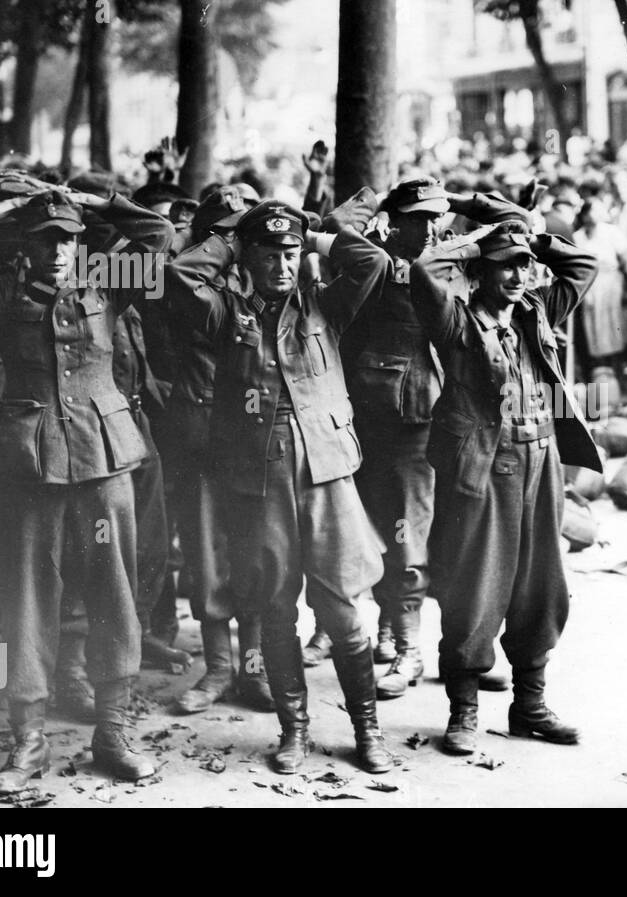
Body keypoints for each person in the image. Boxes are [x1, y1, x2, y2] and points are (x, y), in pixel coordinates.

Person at [0, 174, 174, 794]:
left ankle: (113, 732)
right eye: (46, 238)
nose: (58, 250)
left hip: (105, 462)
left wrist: (97, 202)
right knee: (28, 601)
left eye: (68, 239)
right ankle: (28, 744)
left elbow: (159, 234)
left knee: (114, 594)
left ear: (82, 243)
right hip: (30, 466)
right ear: (24, 243)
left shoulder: (107, 285)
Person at [167, 195, 393, 775]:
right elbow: (180, 273)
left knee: (341, 609)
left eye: (291, 252)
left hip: (325, 474)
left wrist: (317, 235)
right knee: (273, 608)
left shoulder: (326, 306)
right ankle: (294, 731)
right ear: (248, 258)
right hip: (258, 479)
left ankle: (367, 732)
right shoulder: (226, 313)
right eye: (269, 254)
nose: (283, 265)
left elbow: (371, 262)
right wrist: (230, 242)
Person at [410, 213, 599, 756]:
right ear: (480, 271)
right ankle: (463, 710)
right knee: (475, 585)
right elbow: (426, 269)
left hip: (542, 460)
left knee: (542, 585)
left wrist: (531, 239)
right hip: (486, 466)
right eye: (505, 267)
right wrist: (475, 242)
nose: (517, 276)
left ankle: (530, 705)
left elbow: (584, 265)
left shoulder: (537, 311)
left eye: (524, 266)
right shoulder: (457, 323)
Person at [337, 177, 450, 699]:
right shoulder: (375, 259)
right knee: (380, 530)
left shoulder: (451, 260)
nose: (430, 227)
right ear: (396, 218)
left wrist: (466, 205)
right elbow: (335, 226)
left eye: (438, 217)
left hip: (428, 416)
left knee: (412, 534)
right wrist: (372, 200)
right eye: (419, 217)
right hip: (372, 414)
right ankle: (390, 633)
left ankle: (411, 648)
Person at [168, 186, 274, 714]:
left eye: (240, 228)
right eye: (222, 230)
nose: (233, 238)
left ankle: (253, 669)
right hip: (199, 429)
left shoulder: (268, 276)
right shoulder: (191, 276)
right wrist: (227, 242)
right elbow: (182, 278)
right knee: (206, 552)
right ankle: (217, 669)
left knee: (254, 551)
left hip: (254, 432)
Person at [573, 197, 627, 368]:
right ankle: (600, 366)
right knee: (594, 326)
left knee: (614, 325)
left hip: (610, 283)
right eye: (591, 211)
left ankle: (617, 366)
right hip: (590, 286)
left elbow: (626, 256)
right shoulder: (578, 236)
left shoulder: (611, 231)